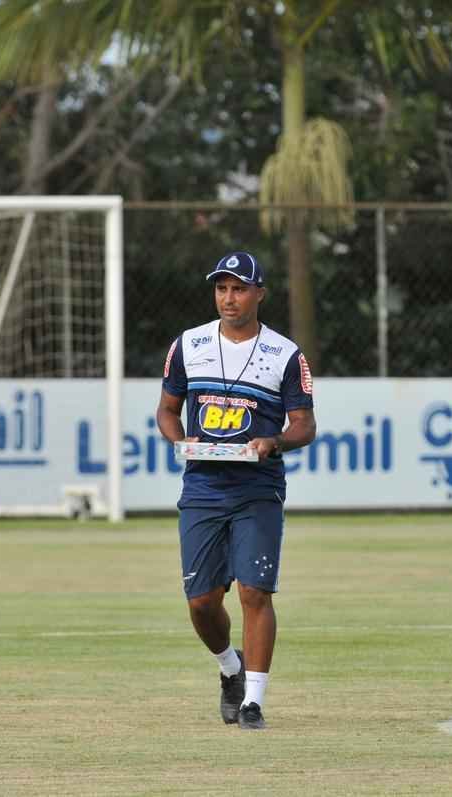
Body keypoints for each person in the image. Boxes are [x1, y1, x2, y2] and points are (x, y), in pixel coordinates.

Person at [156, 251, 317, 731]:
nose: (229, 297)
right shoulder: (189, 344)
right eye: (222, 288)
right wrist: (178, 439)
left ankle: (253, 702)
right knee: (202, 602)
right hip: (203, 486)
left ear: (260, 294)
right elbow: (167, 410)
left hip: (257, 488)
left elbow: (305, 425)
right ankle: (231, 668)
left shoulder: (285, 354)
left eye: (240, 288)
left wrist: (276, 441)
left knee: (254, 591)